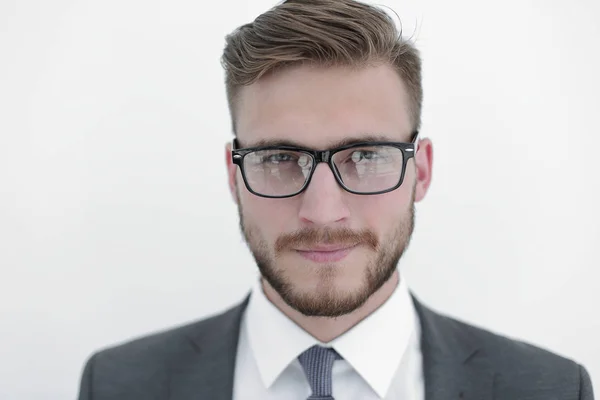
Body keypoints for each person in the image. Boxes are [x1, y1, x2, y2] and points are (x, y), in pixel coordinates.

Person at [77, 0, 595, 399]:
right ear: (234, 177)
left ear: (422, 171)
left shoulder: (549, 389)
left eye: (366, 157)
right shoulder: (119, 384)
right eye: (280, 158)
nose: (322, 212)